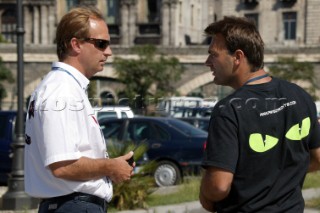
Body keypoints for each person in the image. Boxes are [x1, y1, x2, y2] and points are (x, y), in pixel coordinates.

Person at [199, 16, 320, 213]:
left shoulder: (228, 110)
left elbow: (218, 187)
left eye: (213, 54)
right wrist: (282, 176)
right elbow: (317, 158)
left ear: (237, 57)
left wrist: (204, 192)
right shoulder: (300, 95)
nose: (207, 62)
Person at [24, 6, 134, 213]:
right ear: (76, 44)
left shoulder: (63, 87)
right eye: (101, 44)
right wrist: (111, 167)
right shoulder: (61, 91)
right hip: (73, 205)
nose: (108, 52)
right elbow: (62, 165)